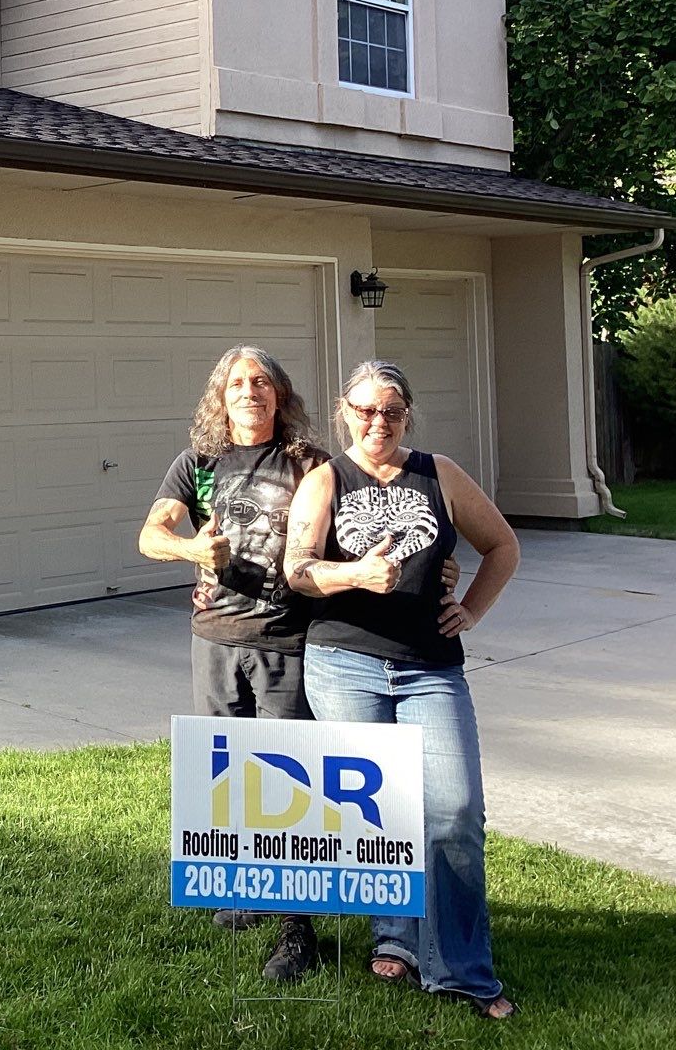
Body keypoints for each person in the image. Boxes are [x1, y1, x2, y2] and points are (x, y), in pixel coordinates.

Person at [285, 359, 521, 1021]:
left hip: (430, 666)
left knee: (453, 811)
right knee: (380, 814)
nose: (377, 422)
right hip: (344, 663)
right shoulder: (326, 480)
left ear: (407, 414)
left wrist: (470, 609)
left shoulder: (439, 473)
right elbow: (297, 570)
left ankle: (463, 970)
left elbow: (501, 544)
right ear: (344, 411)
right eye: (364, 410)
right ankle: (395, 934)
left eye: (390, 411)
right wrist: (357, 573)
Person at [140, 345, 324, 982]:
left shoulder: (310, 463)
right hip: (215, 637)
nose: (250, 391)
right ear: (221, 397)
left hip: (287, 641)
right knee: (228, 772)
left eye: (262, 382)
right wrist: (194, 547)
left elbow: (355, 531)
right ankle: (244, 887)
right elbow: (150, 535)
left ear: (280, 395)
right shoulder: (198, 464)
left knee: (289, 781)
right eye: (238, 383)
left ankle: (298, 932)